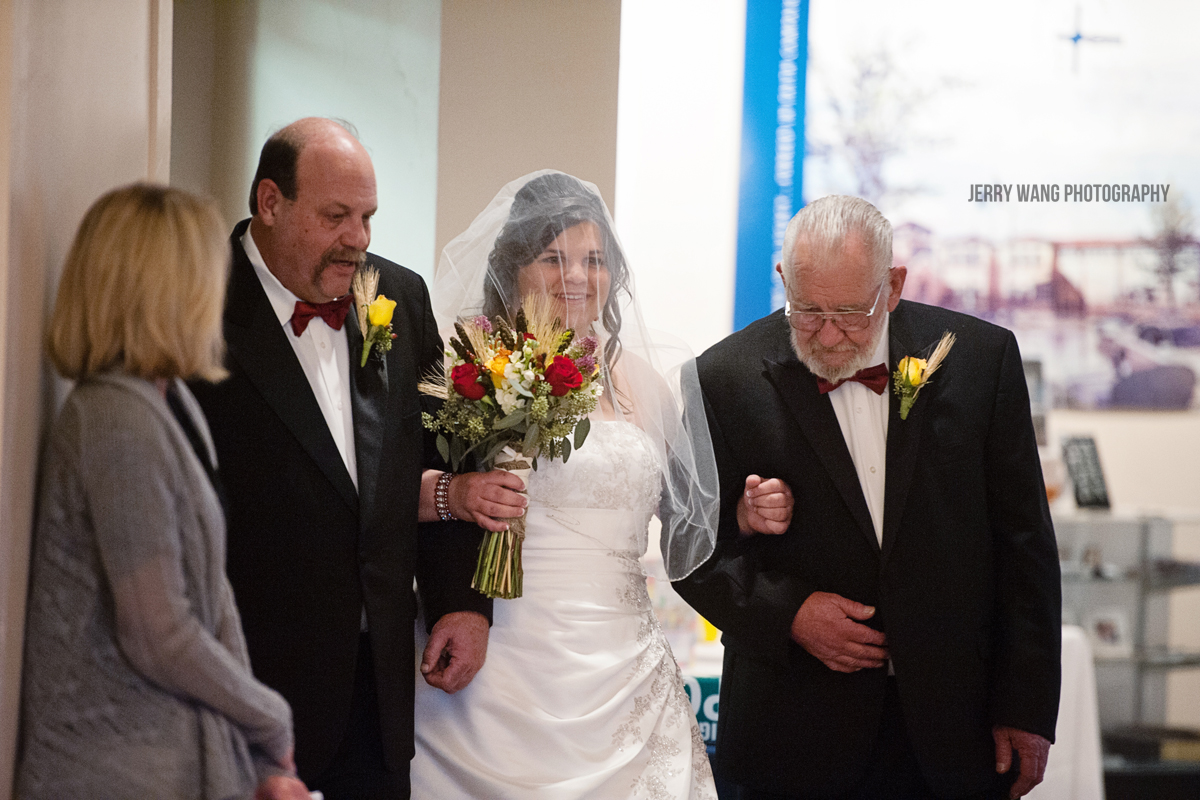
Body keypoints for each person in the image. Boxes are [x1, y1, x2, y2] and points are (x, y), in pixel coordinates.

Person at [411, 171, 793, 799]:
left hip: (621, 660)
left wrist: (745, 516)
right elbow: (405, 495)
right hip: (495, 655)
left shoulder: (643, 382)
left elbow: (686, 522)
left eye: (594, 260)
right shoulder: (472, 369)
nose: (577, 277)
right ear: (513, 267)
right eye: (553, 258)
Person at [674, 195, 1062, 800]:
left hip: (952, 724)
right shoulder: (721, 378)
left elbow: (1024, 544)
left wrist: (1028, 708)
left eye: (852, 313)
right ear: (783, 280)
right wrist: (789, 614)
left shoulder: (980, 361)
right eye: (808, 311)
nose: (828, 336)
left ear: (895, 284)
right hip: (792, 731)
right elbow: (689, 549)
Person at [189, 118, 516, 799]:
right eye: (337, 216)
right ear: (270, 202)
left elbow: (446, 450)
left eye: (367, 216)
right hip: (255, 689)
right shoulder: (196, 308)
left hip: (382, 691)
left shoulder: (396, 296)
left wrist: (463, 602)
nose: (359, 239)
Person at [16, 184, 309, 800]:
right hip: (115, 768)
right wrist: (268, 716)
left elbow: (213, 600)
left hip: (179, 758)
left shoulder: (170, 405)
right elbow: (158, 633)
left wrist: (260, 761)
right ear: (165, 289)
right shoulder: (113, 422)